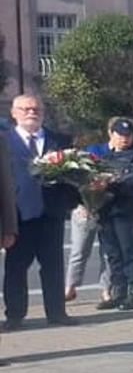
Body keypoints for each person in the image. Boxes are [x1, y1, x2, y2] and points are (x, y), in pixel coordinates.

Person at [4, 93, 77, 329]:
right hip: (18, 214)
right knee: (16, 267)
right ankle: (15, 315)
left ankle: (57, 313)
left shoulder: (60, 140)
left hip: (51, 213)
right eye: (25, 109)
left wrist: (71, 202)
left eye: (36, 109)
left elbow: (74, 175)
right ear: (14, 113)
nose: (31, 113)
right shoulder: (4, 141)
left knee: (53, 265)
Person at [95, 118, 133, 311]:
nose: (124, 139)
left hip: (128, 213)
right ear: (111, 134)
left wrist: (111, 184)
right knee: (113, 255)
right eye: (120, 135)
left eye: (128, 135)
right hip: (107, 211)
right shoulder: (106, 158)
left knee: (131, 253)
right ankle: (118, 292)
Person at [63, 132, 111, 308]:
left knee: (106, 252)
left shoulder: (103, 161)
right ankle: (70, 287)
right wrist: (79, 205)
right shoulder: (73, 166)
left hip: (104, 208)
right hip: (82, 211)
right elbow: (70, 188)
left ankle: (107, 289)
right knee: (79, 250)